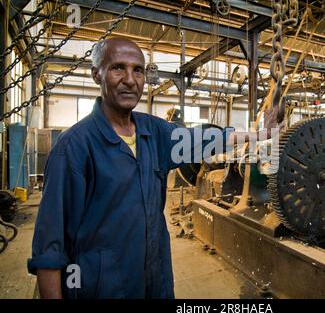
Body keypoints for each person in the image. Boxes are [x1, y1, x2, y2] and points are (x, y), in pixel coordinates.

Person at [28, 38, 279, 299]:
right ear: (96, 75)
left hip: (155, 281)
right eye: (117, 68)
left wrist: (260, 134)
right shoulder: (73, 149)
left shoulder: (154, 132)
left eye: (138, 70)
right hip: (102, 289)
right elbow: (50, 250)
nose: (130, 79)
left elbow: (206, 139)